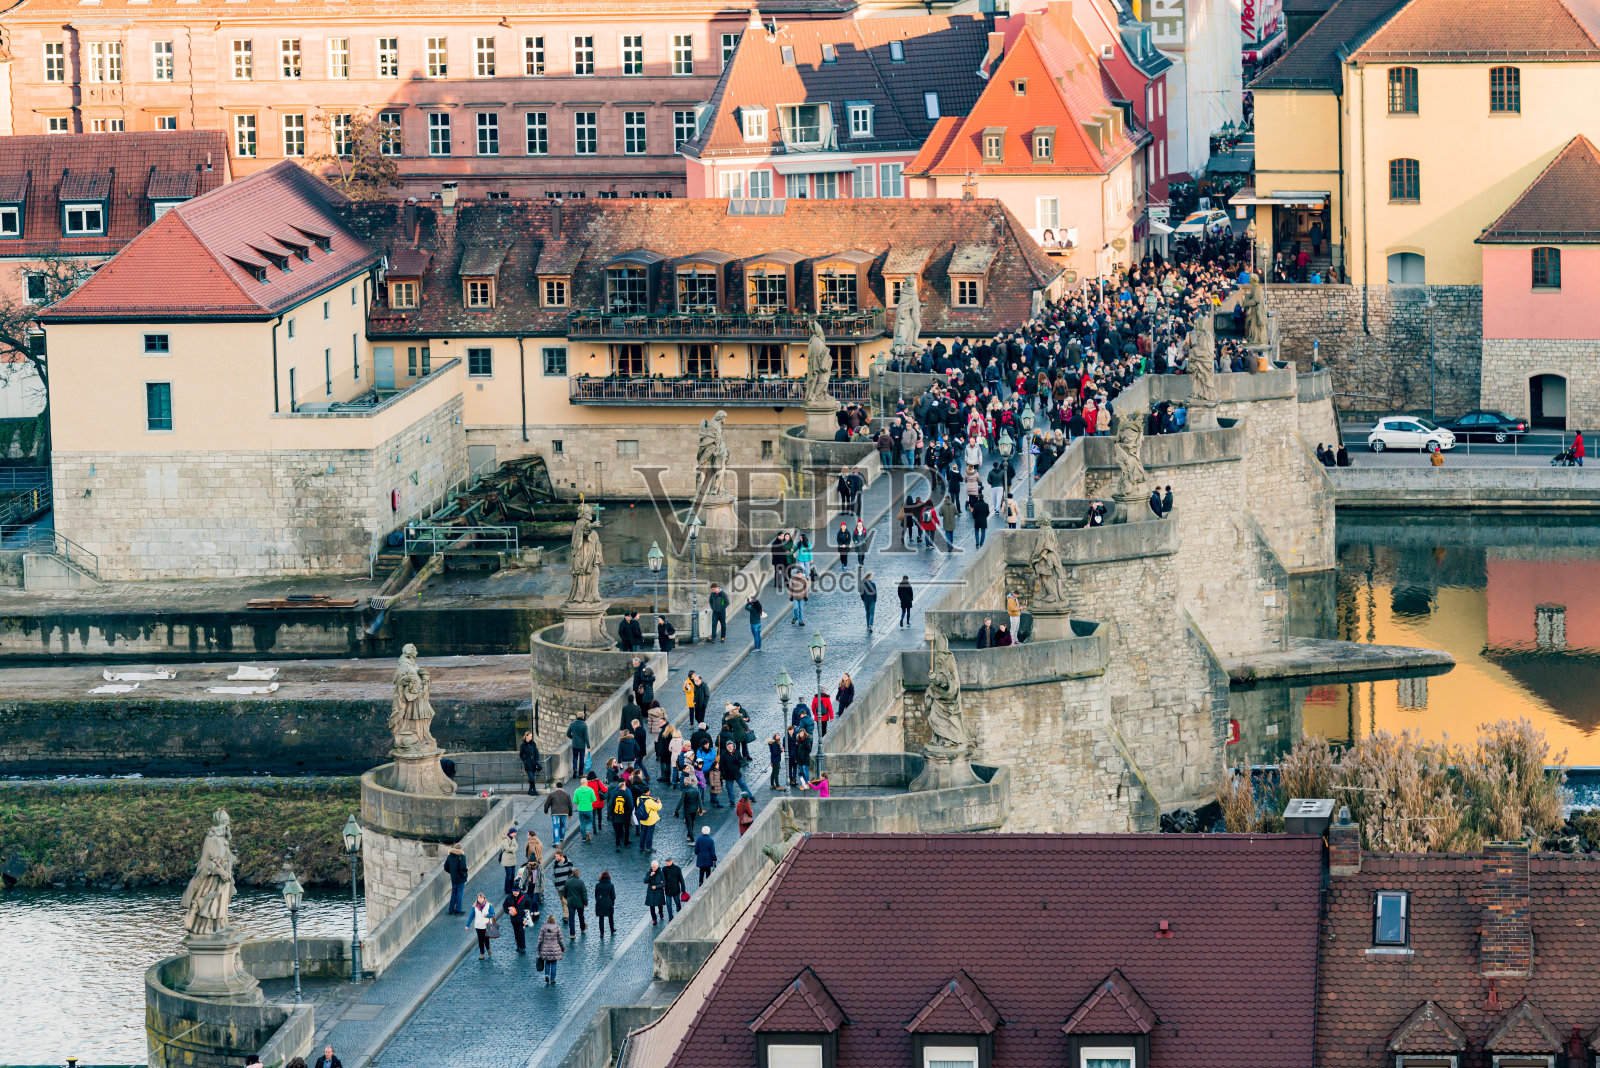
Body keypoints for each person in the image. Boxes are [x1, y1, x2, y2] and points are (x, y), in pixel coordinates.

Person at [503, 883, 532, 954]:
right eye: (514, 891)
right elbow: (504, 906)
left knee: (521, 932)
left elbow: (530, 903)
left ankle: (522, 946)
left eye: (516, 891)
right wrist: (508, 911)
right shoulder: (509, 898)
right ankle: (518, 946)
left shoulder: (524, 897)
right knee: (516, 933)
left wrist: (527, 911)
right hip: (513, 919)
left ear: (519, 891)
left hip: (522, 919)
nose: (515, 893)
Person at [608, 774, 634, 851]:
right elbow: (629, 805)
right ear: (623, 787)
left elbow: (611, 805)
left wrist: (612, 814)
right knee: (626, 829)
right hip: (625, 816)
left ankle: (618, 843)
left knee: (617, 830)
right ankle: (626, 842)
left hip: (617, 815)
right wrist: (629, 814)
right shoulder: (626, 795)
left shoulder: (615, 794)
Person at [537, 915, 565, 986]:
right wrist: (563, 948)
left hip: (545, 948)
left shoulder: (543, 928)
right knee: (553, 963)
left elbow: (540, 939)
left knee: (547, 962)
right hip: (554, 949)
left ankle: (547, 975)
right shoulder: (557, 928)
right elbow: (560, 939)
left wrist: (539, 948)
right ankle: (552, 979)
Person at [467, 893, 495, 959]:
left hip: (486, 925)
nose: (480, 899)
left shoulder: (488, 906)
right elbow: (471, 916)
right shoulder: (474, 907)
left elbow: (493, 914)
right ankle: (482, 953)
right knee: (480, 940)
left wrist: (487, 915)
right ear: (477, 899)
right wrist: (467, 925)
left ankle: (488, 949)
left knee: (486, 939)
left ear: (484, 898)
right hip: (478, 926)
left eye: (481, 898)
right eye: (479, 898)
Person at [675, 777, 703, 842]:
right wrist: (701, 810)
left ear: (685, 783)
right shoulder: (696, 790)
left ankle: (692, 840)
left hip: (687, 810)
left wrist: (676, 810)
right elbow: (699, 801)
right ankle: (688, 835)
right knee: (692, 823)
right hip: (694, 809)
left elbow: (681, 802)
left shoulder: (685, 791)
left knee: (689, 824)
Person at [562, 866, 588, 937]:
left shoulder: (567, 882)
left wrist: (568, 898)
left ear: (572, 874)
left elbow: (564, 894)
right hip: (580, 903)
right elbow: (584, 894)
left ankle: (572, 934)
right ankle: (582, 929)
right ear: (578, 874)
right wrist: (585, 903)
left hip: (571, 903)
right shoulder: (581, 882)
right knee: (581, 916)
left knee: (571, 918)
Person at [444, 844, 468, 915]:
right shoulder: (461, 856)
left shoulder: (449, 856)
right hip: (460, 878)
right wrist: (466, 869)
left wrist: (452, 872)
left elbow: (445, 867)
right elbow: (463, 867)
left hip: (453, 878)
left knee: (454, 893)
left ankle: (451, 909)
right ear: (460, 849)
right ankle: (458, 910)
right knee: (459, 893)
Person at [637, 786, 661, 854]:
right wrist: (659, 802)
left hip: (642, 819)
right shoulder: (649, 801)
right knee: (649, 834)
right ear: (648, 792)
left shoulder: (638, 799)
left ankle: (641, 846)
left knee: (643, 833)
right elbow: (657, 807)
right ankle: (648, 847)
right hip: (650, 820)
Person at [572, 776, 597, 842]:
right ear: (587, 783)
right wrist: (590, 801)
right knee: (590, 821)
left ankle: (583, 837)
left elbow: (575, 801)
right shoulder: (590, 790)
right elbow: (594, 799)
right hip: (589, 808)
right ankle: (588, 831)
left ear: (580, 783)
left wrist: (579, 802)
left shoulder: (577, 790)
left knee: (582, 823)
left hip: (581, 809)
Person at [643, 861, 668, 925]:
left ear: (657, 866)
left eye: (654, 867)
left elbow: (664, 883)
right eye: (652, 867)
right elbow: (645, 881)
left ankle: (661, 912)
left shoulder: (661, 873)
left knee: (660, 904)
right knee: (651, 906)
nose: (653, 868)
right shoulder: (649, 872)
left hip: (659, 891)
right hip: (651, 891)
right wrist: (650, 876)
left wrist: (657, 886)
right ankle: (654, 919)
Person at [593, 871, 616, 938]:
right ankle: (612, 929)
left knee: (601, 918)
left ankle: (602, 933)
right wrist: (612, 902)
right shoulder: (611, 885)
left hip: (600, 902)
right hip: (608, 903)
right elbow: (613, 896)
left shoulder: (598, 885)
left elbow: (596, 894)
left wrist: (598, 900)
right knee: (610, 916)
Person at [566, 711, 590, 777]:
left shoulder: (572, 724)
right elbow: (586, 737)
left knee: (575, 758)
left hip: (575, 745)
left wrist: (572, 738)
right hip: (582, 745)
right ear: (583, 717)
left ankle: (575, 769)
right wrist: (588, 746)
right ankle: (580, 773)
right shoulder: (584, 725)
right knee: (581, 759)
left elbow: (568, 734)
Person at [499, 829, 520, 894]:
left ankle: (512, 888)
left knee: (513, 874)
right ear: (510, 833)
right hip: (507, 859)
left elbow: (516, 846)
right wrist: (513, 849)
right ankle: (507, 889)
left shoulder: (513, 838)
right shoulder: (505, 839)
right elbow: (507, 849)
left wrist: (512, 848)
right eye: (514, 833)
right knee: (509, 875)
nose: (515, 834)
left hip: (513, 859)